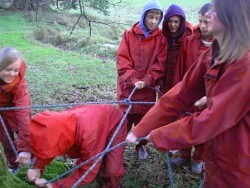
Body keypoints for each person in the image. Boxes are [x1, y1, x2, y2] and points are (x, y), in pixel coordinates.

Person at [126, 0, 250, 187]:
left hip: (240, 162)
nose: (208, 14)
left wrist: (161, 136)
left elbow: (213, 118)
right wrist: (141, 130)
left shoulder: (245, 63)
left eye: (215, 10)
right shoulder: (213, 54)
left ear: (231, 17)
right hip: (217, 157)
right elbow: (180, 95)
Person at [27, 104, 127, 188]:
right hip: (94, 120)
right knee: (97, 157)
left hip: (114, 123)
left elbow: (87, 171)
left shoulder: (88, 136)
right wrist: (38, 167)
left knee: (113, 172)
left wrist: (54, 185)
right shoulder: (59, 124)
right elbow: (49, 144)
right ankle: (101, 165)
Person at [116, 0, 167, 159]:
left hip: (147, 90)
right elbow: (122, 59)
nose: (153, 21)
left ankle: (140, 146)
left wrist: (147, 80)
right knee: (123, 121)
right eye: (150, 17)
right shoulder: (129, 34)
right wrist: (132, 79)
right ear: (144, 16)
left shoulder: (161, 39)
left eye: (157, 18)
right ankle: (117, 148)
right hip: (127, 89)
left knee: (144, 121)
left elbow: (160, 63)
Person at [170, 3, 213, 174]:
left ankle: (198, 158)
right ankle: (184, 154)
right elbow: (180, 69)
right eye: (200, 21)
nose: (202, 26)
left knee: (204, 128)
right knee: (184, 124)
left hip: (208, 97)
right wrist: (178, 93)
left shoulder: (223, 45)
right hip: (188, 95)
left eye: (207, 22)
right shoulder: (189, 41)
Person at [0, 47, 32, 173]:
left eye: (16, 70)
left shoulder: (19, 83)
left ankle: (32, 160)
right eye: (8, 69)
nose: (13, 74)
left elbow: (23, 112)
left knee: (24, 130)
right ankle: (13, 166)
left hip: (15, 108)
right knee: (5, 139)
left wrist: (25, 146)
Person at [160, 4, 193, 95]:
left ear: (181, 22)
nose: (172, 25)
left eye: (176, 21)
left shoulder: (190, 38)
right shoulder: (162, 37)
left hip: (181, 81)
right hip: (164, 83)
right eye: (170, 21)